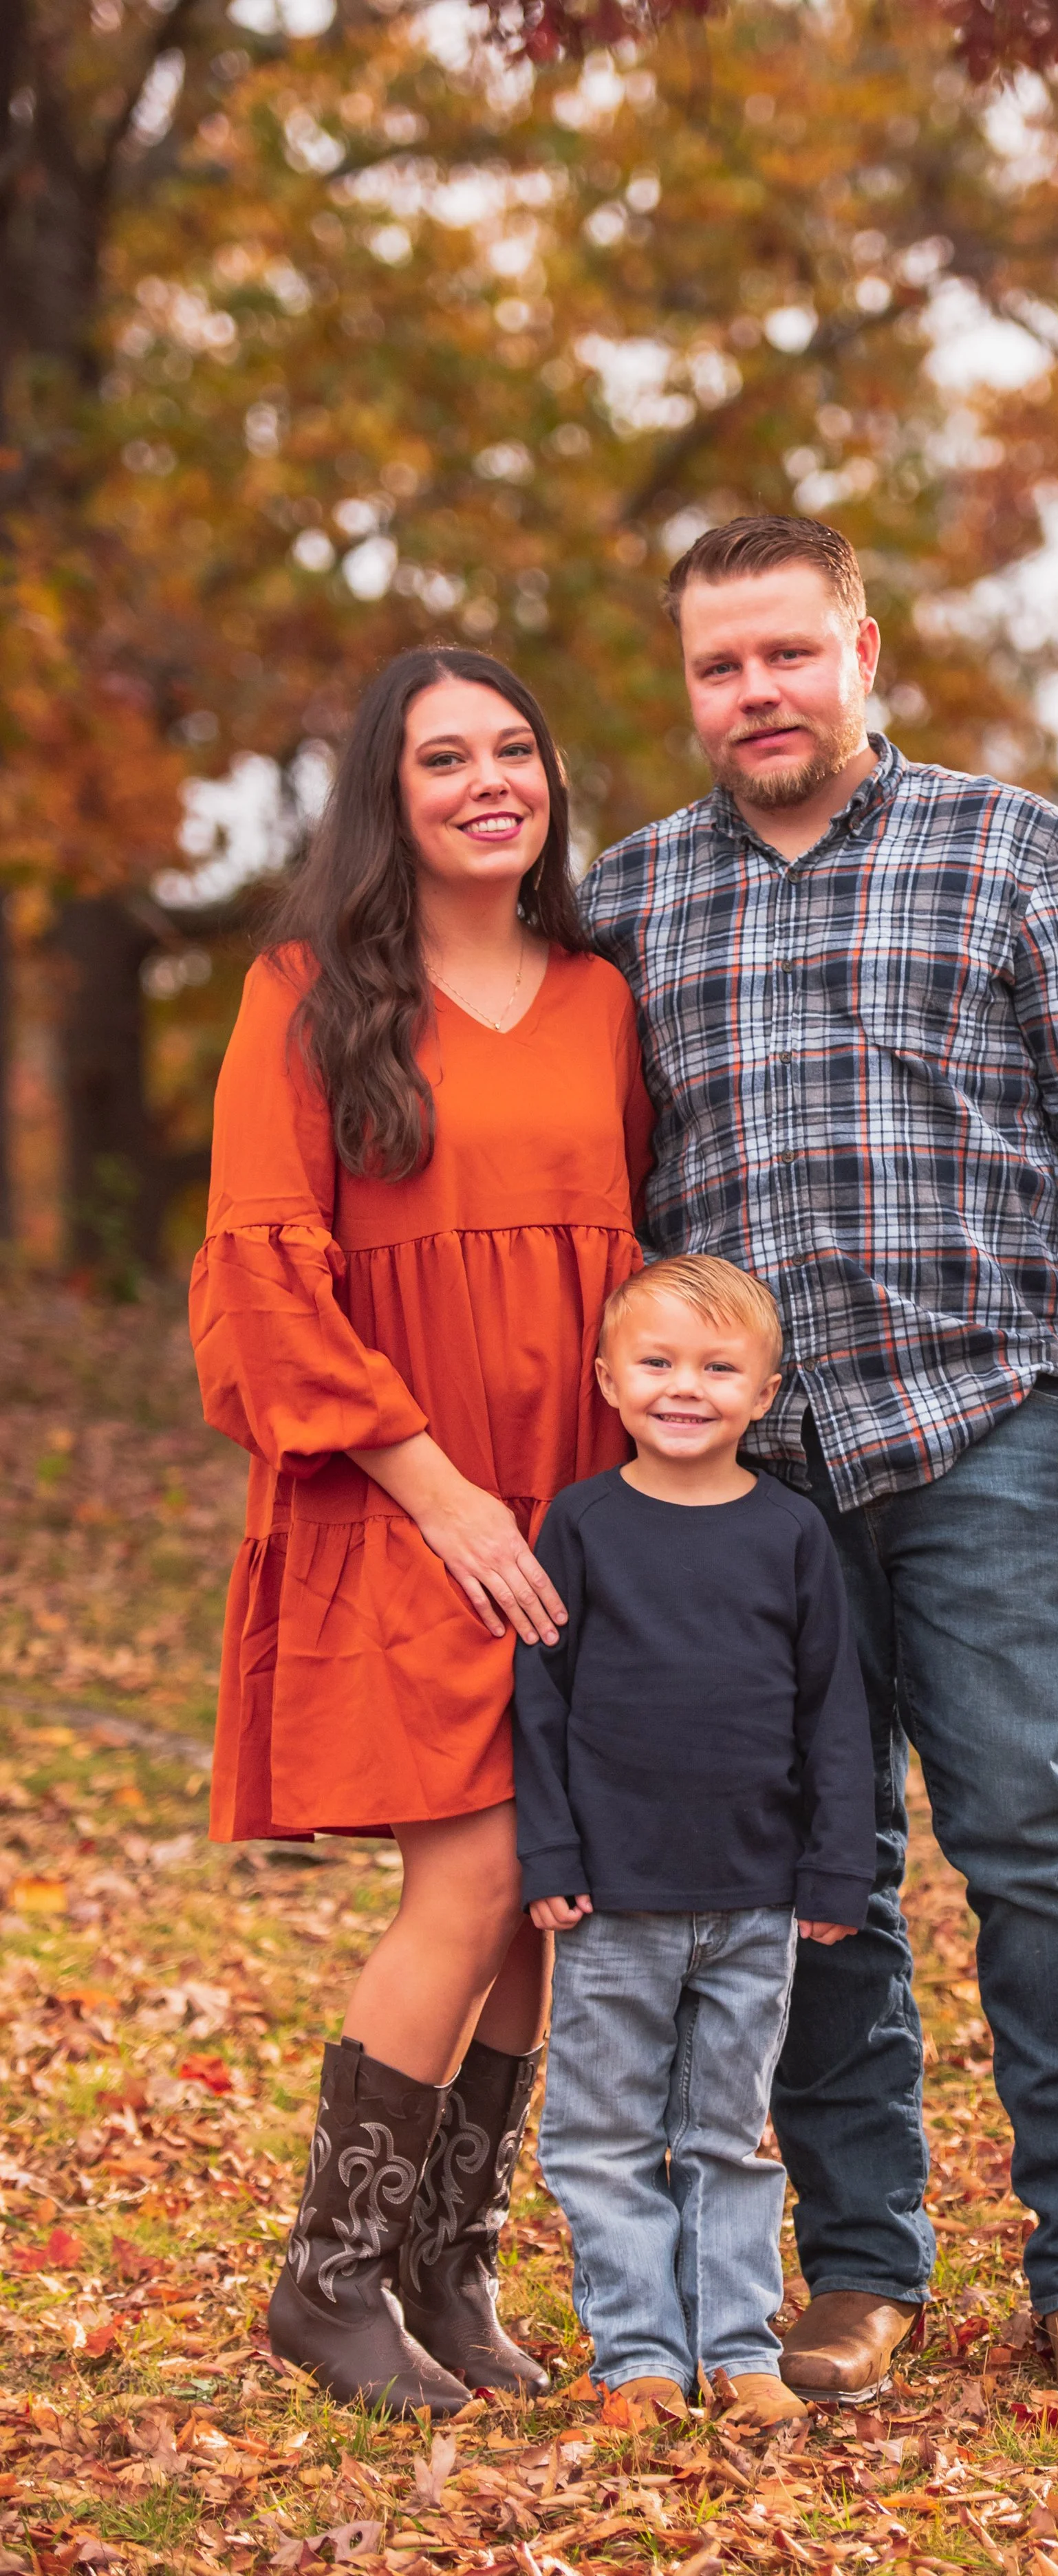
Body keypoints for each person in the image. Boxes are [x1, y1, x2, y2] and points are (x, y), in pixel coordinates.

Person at [578, 517, 1058, 2424]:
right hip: (752, 1482)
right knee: (810, 1874)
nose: (752, 693)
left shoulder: (1008, 850)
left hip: (993, 1426)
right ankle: (859, 2269)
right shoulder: (629, 901)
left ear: (860, 649)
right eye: (716, 667)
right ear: (687, 687)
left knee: (1028, 1841)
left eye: (785, 653)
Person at [190, 645, 652, 2418]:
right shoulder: (308, 996)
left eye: (515, 749)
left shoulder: (606, 1000)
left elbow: (618, 1269)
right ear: (388, 793)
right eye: (443, 756)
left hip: (574, 1507)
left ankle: (447, 2277)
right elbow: (260, 1277)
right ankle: (328, 2278)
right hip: (404, 1490)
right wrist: (435, 1484)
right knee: (464, 1874)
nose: (487, 781)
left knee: (544, 1892)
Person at [512, 1255, 874, 2427]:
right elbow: (542, 1704)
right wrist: (553, 1856)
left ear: (764, 1393)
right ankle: (637, 2361)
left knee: (725, 2137)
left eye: (720, 1368)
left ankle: (737, 2351)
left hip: (756, 1901)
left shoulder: (792, 1533)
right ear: (608, 1378)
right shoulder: (582, 1525)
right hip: (614, 1899)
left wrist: (834, 1866)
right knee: (605, 2139)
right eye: (659, 1362)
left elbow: (834, 1713)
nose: (686, 1387)